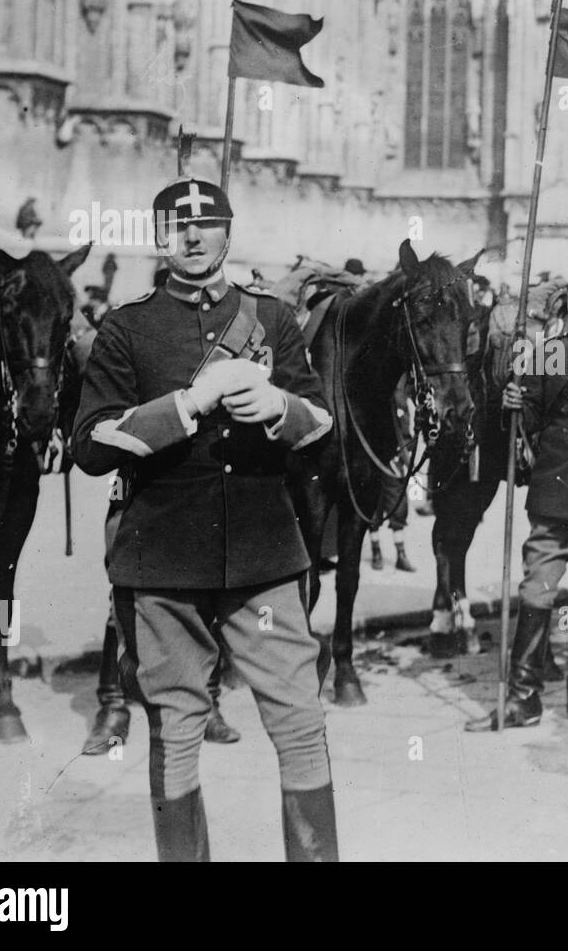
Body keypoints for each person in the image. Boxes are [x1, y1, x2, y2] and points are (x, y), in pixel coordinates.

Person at [72, 176, 338, 862]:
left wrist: (277, 406)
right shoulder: (127, 326)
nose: (192, 237)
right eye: (177, 226)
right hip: (163, 557)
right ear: (162, 238)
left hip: (265, 558)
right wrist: (188, 405)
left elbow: (322, 425)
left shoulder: (271, 318)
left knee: (301, 718)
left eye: (206, 224)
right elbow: (90, 444)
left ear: (228, 231)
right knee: (176, 728)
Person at [465, 269, 568, 732]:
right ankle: (522, 698)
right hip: (554, 490)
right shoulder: (548, 355)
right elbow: (530, 419)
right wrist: (514, 401)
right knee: (537, 590)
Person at [369, 377, 417, 572]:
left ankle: (400, 554)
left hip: (396, 459)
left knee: (398, 506)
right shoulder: (376, 395)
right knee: (373, 507)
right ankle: (376, 551)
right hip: (375, 457)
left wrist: (405, 449)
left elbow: (408, 430)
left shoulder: (402, 394)